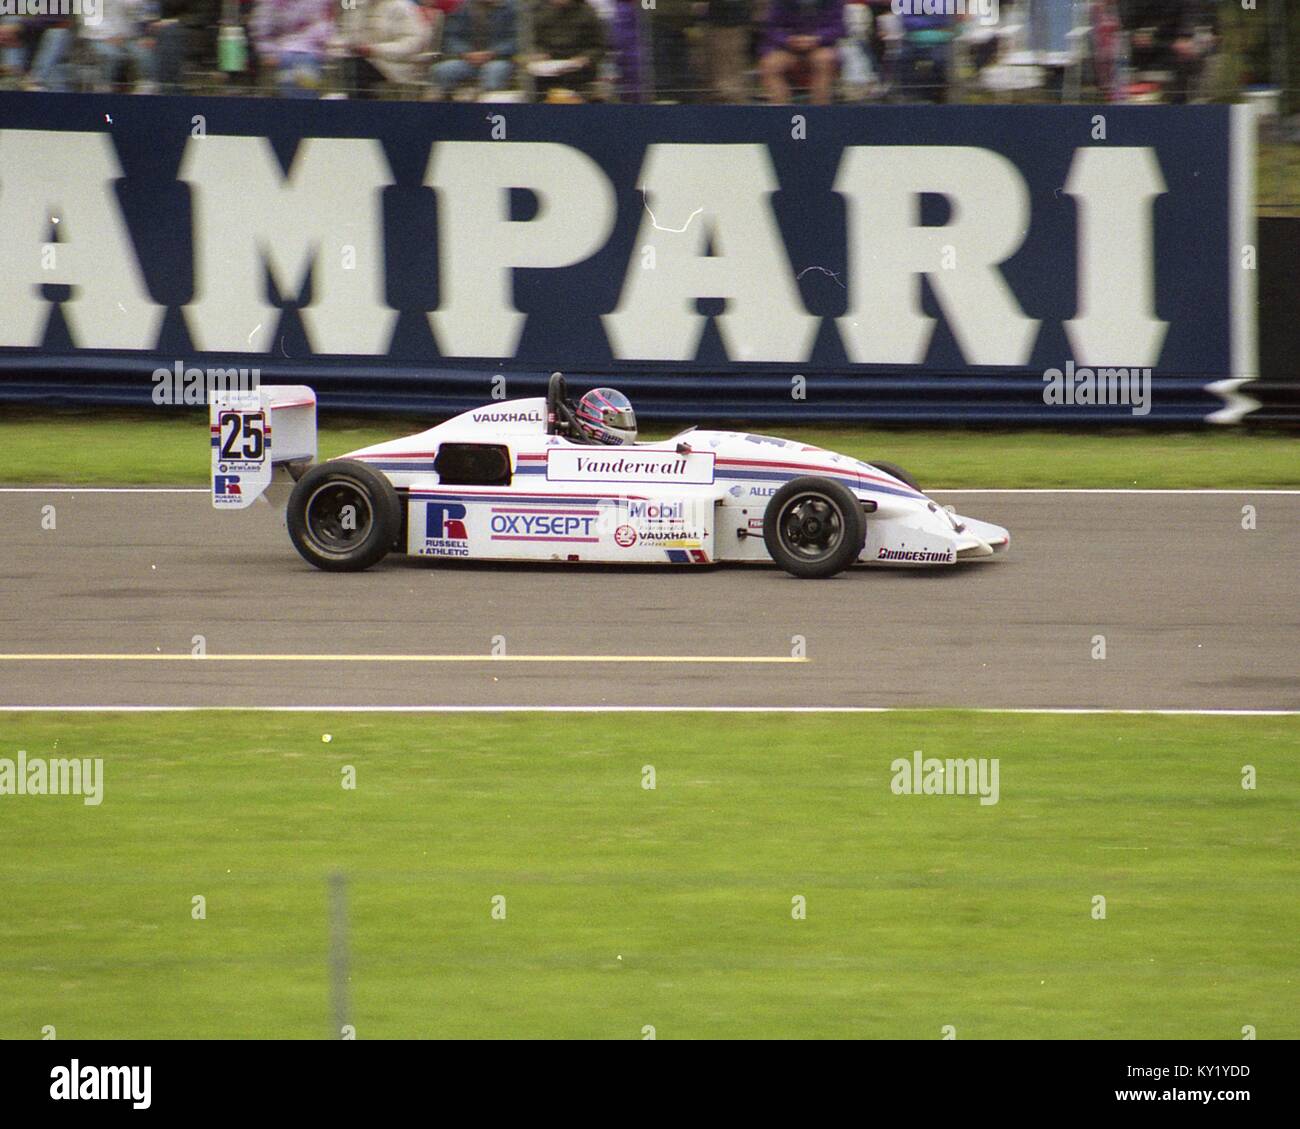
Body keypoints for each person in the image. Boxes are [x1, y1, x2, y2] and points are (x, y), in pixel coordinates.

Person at [337, 0, 430, 98]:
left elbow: (414, 43)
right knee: (347, 63)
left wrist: (376, 50)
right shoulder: (357, 5)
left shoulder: (402, 6)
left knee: (356, 67)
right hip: (363, 60)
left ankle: (359, 107)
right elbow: (348, 34)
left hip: (395, 64)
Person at [760, 0, 844, 106]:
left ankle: (819, 112)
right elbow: (771, 29)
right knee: (770, 65)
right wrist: (788, 40)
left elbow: (838, 27)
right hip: (787, 48)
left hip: (820, 46)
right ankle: (781, 112)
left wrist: (816, 39)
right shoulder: (780, 3)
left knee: (826, 60)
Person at [431, 0, 517, 98]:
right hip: (468, 59)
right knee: (443, 70)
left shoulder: (512, 8)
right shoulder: (463, 8)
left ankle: (488, 108)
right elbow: (452, 37)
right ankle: (448, 105)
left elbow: (516, 40)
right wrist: (465, 53)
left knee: (493, 71)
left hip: (499, 59)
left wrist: (493, 53)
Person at [251, 0, 335, 96]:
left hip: (311, 54)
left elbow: (326, 25)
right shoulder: (270, 4)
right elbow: (262, 29)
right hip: (282, 55)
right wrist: (268, 52)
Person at [531, 0, 605, 101]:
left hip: (579, 73)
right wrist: (539, 53)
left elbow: (598, 47)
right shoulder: (541, 11)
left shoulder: (587, 12)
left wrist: (585, 58)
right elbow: (534, 42)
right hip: (547, 73)